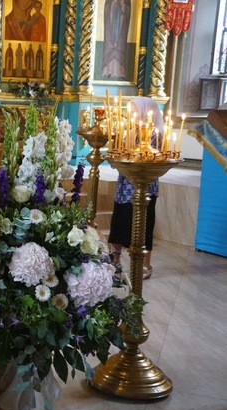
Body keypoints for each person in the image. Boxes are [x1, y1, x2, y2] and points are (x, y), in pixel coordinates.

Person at [107, 97, 164, 280]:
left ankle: (145, 264)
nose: (131, 115)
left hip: (145, 186)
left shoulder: (155, 134)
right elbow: (120, 157)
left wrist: (129, 152)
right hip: (125, 186)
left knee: (143, 227)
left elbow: (148, 158)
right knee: (120, 222)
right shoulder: (130, 132)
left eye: (134, 111)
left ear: (145, 112)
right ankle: (115, 260)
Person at [102, 0, 131, 78]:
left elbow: (127, 10)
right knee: (110, 45)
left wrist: (122, 6)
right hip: (111, 25)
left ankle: (120, 71)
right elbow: (107, 8)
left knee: (120, 46)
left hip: (121, 26)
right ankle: (108, 70)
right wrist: (114, 3)